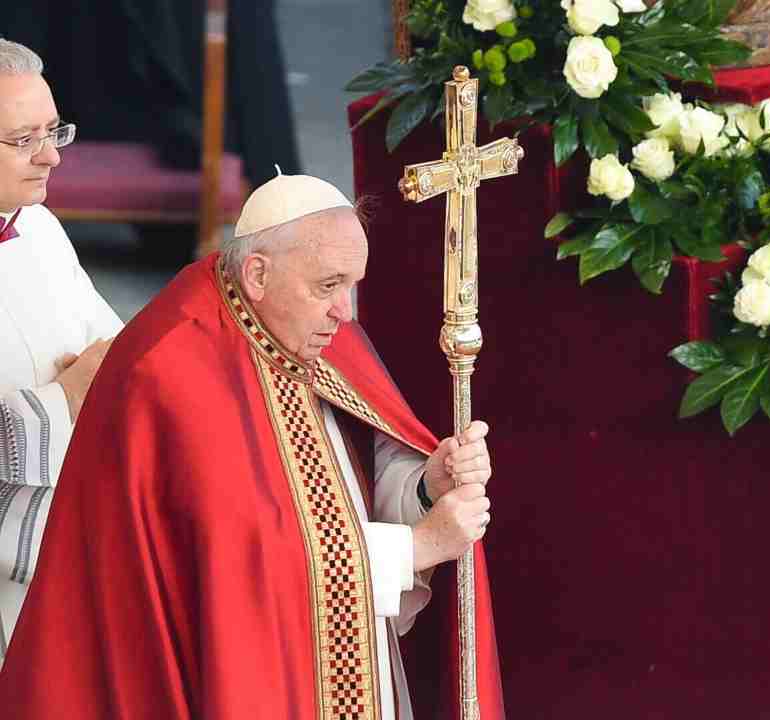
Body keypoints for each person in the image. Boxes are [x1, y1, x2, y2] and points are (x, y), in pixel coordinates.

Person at [0, 172, 504, 720]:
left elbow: (351, 471)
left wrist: (425, 487)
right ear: (258, 273)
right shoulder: (174, 369)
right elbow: (240, 568)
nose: (347, 312)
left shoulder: (309, 327)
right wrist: (419, 548)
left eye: (352, 285)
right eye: (329, 285)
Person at [0, 38, 122, 664]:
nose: (51, 157)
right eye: (24, 139)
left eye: (54, 132)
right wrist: (60, 401)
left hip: (64, 549)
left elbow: (112, 348)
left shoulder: (37, 226)